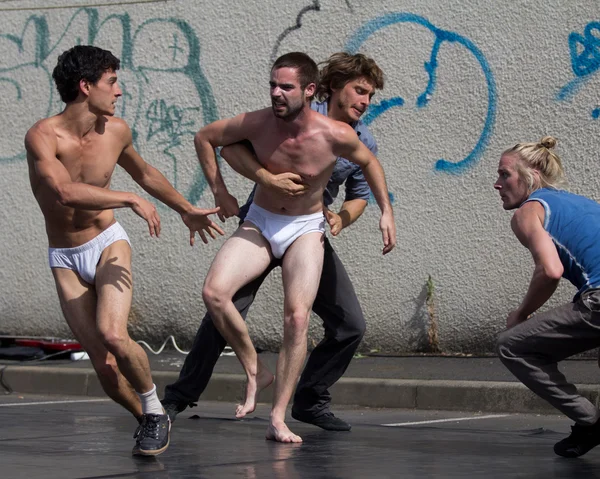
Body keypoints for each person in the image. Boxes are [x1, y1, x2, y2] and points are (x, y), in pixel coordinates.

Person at [162, 52, 386, 435]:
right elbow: (229, 145)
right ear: (331, 87)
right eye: (359, 91)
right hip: (263, 219)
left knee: (350, 325)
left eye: (370, 96)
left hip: (309, 229)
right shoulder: (288, 110)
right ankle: (179, 397)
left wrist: (343, 217)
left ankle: (310, 399)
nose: (365, 102)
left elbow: (360, 193)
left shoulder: (359, 139)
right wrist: (265, 177)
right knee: (223, 306)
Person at [25, 45, 223, 456]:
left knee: (113, 334)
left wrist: (186, 209)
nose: (119, 91)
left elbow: (146, 172)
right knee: (103, 365)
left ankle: (154, 410)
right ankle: (150, 417)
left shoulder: (116, 130)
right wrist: (128, 199)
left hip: (106, 242)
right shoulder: (43, 136)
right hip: (65, 257)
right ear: (85, 86)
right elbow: (63, 192)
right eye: (111, 82)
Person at [495, 136, 600, 458]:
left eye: (504, 174)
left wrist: (521, 314)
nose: (497, 184)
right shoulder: (584, 203)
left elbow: (549, 270)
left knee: (512, 345)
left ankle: (590, 421)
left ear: (533, 175)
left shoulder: (530, 211)